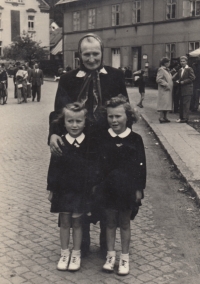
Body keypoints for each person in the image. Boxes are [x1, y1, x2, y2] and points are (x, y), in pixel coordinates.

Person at [49, 33, 128, 256]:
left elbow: (125, 112)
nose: (91, 59)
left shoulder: (115, 76)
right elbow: (57, 111)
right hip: (78, 147)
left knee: (106, 193)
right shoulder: (67, 79)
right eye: (86, 54)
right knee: (78, 191)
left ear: (102, 53)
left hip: (107, 146)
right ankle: (80, 245)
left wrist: (125, 140)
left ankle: (106, 244)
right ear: (79, 55)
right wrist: (53, 135)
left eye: (95, 54)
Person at [47, 102, 100, 271]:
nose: (74, 125)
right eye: (70, 121)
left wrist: (93, 187)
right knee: (64, 222)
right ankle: (64, 253)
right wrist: (51, 188)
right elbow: (53, 167)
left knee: (78, 223)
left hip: (81, 191)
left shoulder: (90, 144)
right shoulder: (61, 143)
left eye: (78, 121)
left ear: (85, 122)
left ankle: (76, 254)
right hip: (63, 190)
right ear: (64, 123)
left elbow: (94, 168)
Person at [97, 95, 146, 275]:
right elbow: (98, 166)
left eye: (118, 116)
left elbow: (141, 165)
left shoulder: (135, 139)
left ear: (128, 116)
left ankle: (124, 257)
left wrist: (139, 189)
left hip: (127, 189)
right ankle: (111, 256)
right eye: (110, 117)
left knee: (124, 223)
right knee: (109, 223)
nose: (114, 120)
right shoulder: (103, 138)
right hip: (108, 190)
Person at [173, 56, 196, 123]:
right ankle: (181, 117)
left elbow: (192, 78)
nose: (182, 63)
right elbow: (179, 78)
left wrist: (184, 82)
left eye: (183, 61)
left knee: (186, 104)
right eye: (181, 61)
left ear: (186, 62)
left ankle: (185, 118)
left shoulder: (189, 69)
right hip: (181, 89)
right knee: (182, 104)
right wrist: (178, 81)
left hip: (187, 89)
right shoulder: (180, 70)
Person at [156, 57, 173, 123]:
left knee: (167, 103)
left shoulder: (167, 70)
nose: (169, 63)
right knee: (163, 103)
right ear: (164, 63)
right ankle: (161, 117)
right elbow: (158, 79)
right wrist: (166, 84)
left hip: (168, 90)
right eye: (168, 62)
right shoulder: (161, 70)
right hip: (164, 89)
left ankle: (165, 117)